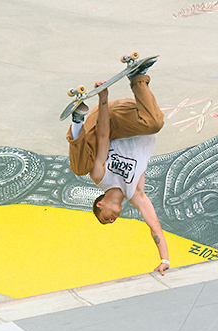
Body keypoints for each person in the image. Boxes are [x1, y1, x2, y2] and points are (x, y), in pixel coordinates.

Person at [66, 62, 170, 275]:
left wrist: (103, 98)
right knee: (155, 123)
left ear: (101, 203)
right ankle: (137, 77)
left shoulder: (100, 176)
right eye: (111, 221)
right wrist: (164, 259)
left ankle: (77, 123)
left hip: (103, 120)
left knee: (80, 168)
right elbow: (155, 226)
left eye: (105, 217)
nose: (112, 220)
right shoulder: (136, 193)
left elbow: (103, 136)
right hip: (130, 123)